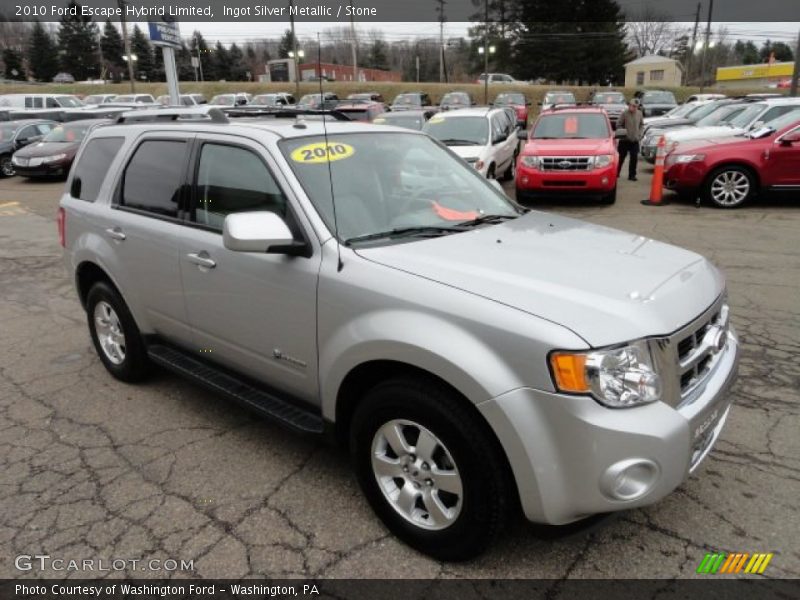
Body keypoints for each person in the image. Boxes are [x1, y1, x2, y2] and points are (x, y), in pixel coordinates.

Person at [616, 99, 644, 181]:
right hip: (624, 140)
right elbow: (618, 124)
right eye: (633, 106)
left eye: (636, 107)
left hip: (635, 140)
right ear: (629, 105)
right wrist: (623, 132)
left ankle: (632, 175)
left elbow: (642, 125)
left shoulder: (639, 113)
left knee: (634, 158)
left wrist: (640, 134)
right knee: (621, 158)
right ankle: (616, 173)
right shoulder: (624, 113)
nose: (634, 108)